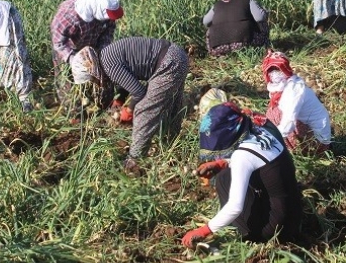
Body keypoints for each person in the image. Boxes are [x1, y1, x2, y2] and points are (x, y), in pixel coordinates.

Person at [181, 103, 302, 247]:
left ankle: (247, 235)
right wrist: (223, 163)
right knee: (226, 175)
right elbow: (257, 160)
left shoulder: (242, 156)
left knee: (223, 180)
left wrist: (205, 230)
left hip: (277, 230)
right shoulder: (259, 130)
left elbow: (235, 207)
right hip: (294, 212)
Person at [99, 37, 189, 171]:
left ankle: (134, 162)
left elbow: (139, 92)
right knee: (171, 108)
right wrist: (120, 99)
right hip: (178, 56)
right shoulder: (106, 55)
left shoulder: (108, 66)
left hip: (168, 64)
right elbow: (129, 75)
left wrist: (129, 111)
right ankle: (172, 147)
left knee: (143, 110)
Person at [50, 0, 124, 110]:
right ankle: (74, 111)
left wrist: (102, 51)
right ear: (98, 9)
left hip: (92, 43)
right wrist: (74, 60)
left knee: (102, 74)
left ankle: (104, 104)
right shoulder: (68, 17)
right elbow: (59, 43)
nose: (111, 18)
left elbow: (108, 31)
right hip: (69, 49)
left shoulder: (105, 11)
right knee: (66, 79)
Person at [260, 50, 331, 153]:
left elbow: (289, 122)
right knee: (272, 112)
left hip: (317, 141)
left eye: (278, 69)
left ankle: (293, 151)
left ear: (285, 69)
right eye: (271, 70)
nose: (274, 74)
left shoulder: (293, 90)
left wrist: (268, 139)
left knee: (278, 114)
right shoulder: (280, 88)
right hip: (309, 130)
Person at [202, 0, 270, 56]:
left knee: (210, 28)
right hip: (241, 43)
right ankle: (264, 50)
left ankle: (220, 54)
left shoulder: (218, 3)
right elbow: (259, 17)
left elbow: (205, 21)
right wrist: (264, 11)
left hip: (217, 46)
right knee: (262, 20)